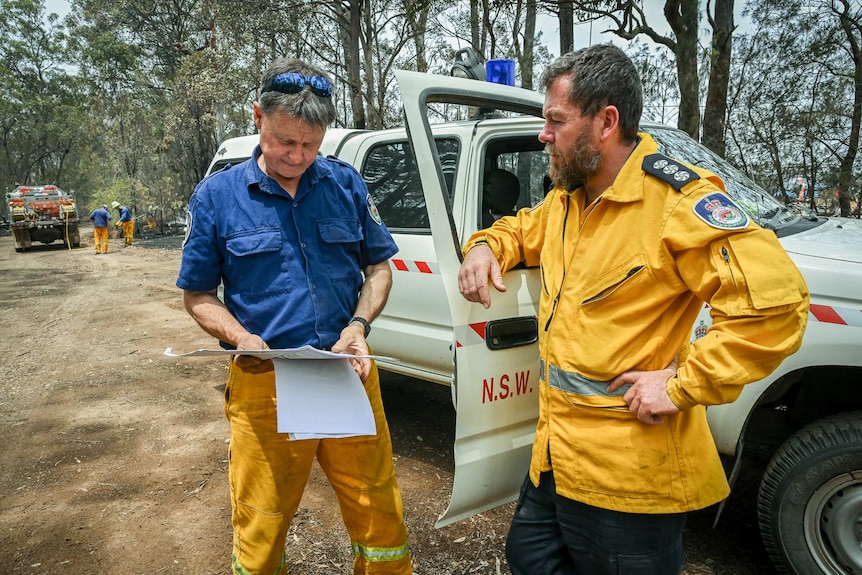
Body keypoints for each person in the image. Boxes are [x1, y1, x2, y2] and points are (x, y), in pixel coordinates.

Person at [457, 44, 809, 575]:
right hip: (554, 457)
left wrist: (679, 384)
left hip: (627, 478)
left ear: (606, 121)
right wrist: (485, 247)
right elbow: (517, 230)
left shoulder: (675, 203)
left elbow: (776, 307)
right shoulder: (567, 201)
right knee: (527, 557)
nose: (542, 135)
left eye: (555, 120)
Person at [176, 57, 411, 575]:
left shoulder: (345, 184)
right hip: (266, 383)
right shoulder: (218, 197)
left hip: (346, 374)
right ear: (258, 117)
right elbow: (197, 294)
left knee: (380, 517)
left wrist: (358, 327)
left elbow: (379, 268)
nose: (297, 156)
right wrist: (241, 336)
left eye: (310, 144)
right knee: (262, 522)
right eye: (284, 141)